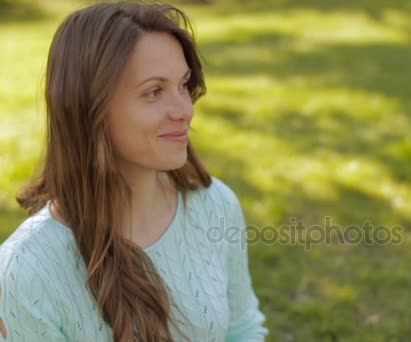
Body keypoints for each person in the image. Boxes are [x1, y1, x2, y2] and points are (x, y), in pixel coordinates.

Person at [0, 1, 269, 341]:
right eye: (154, 92)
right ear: (89, 108)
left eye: (183, 85)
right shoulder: (27, 270)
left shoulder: (214, 205)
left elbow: (242, 330)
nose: (184, 110)